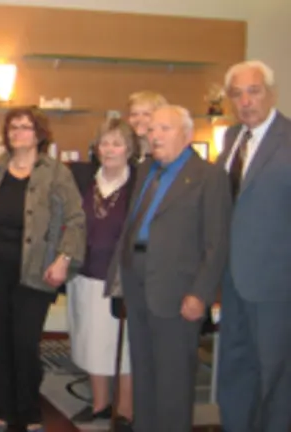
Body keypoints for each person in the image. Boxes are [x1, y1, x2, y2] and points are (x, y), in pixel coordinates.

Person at [0, 107, 86, 432]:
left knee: (24, 344)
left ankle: (30, 414)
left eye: (26, 127)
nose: (18, 133)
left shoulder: (57, 173)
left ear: (39, 133)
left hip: (35, 273)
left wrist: (64, 258)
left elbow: (76, 220)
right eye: (13, 127)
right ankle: (2, 412)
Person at [104, 105, 231, 432]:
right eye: (152, 129)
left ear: (186, 135)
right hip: (138, 280)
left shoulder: (208, 176)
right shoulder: (147, 170)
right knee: (144, 371)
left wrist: (200, 294)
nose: (154, 135)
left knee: (173, 381)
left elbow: (217, 243)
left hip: (178, 290)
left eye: (164, 128)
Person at [216, 60, 291, 432]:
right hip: (233, 281)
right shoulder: (231, 139)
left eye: (254, 91)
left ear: (272, 92)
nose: (245, 101)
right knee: (234, 371)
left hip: (276, 285)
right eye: (237, 93)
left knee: (277, 379)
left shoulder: (288, 139)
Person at [66, 118, 137, 428]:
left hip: (121, 279)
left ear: (130, 150)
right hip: (84, 274)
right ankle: (99, 404)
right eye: (104, 143)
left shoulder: (138, 185)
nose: (109, 149)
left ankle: (125, 411)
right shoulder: (82, 180)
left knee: (123, 348)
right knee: (91, 342)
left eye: (117, 143)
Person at [127, 91, 167, 162]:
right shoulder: (126, 148)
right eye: (134, 114)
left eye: (146, 114)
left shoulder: (169, 151)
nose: (139, 119)